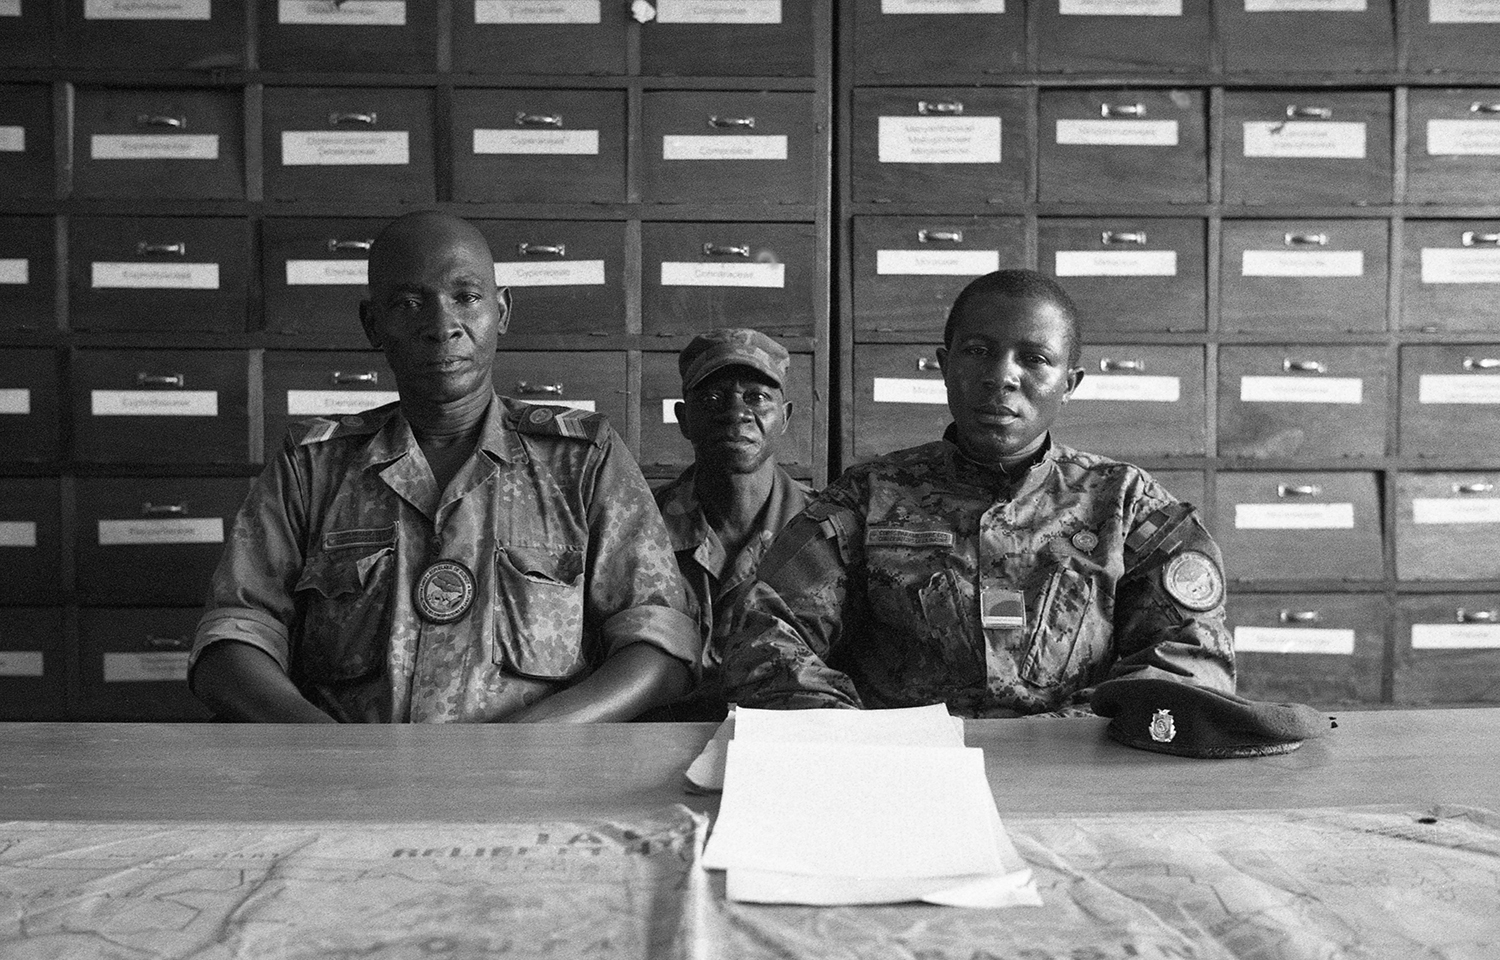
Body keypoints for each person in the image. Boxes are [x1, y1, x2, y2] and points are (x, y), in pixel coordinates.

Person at [189, 211, 697, 723]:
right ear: (373, 325)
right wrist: (330, 753)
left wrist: (529, 746)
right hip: (348, 789)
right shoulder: (313, 467)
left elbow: (659, 643)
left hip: (537, 787)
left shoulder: (582, 460)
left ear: (501, 311)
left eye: (467, 298)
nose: (441, 327)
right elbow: (233, 640)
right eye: (409, 304)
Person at [721, 269, 1234, 717]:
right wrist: (867, 740)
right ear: (945, 365)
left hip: (1078, 772)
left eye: (1034, 358)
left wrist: (1070, 736)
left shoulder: (1126, 505)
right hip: (911, 781)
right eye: (978, 351)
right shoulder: (866, 498)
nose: (1001, 376)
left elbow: (1192, 662)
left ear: (1069, 383)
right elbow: (765, 640)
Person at [648, 329, 814, 720]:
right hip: (660, 739)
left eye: (757, 397)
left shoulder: (826, 529)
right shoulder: (639, 523)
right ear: (684, 419)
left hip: (786, 740)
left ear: (785, 417)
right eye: (712, 398)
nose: (736, 412)